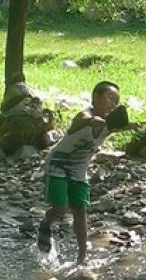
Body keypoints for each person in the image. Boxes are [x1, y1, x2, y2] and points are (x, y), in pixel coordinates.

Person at [38, 80, 121, 264]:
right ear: (96, 98)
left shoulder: (110, 124)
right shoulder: (85, 115)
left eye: (116, 101)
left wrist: (131, 126)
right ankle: (46, 222)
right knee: (61, 208)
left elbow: (119, 125)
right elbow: (82, 120)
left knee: (80, 211)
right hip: (58, 164)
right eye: (109, 98)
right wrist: (94, 121)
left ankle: (82, 256)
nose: (112, 104)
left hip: (78, 169)